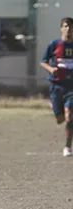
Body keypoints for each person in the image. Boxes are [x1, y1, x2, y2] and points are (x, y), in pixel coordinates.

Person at [41, 17, 73, 156]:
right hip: (56, 85)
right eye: (66, 26)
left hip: (71, 87)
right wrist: (51, 69)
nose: (69, 29)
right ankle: (53, 106)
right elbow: (43, 61)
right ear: (61, 28)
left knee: (69, 117)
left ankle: (67, 147)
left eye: (71, 27)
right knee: (60, 119)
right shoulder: (54, 44)